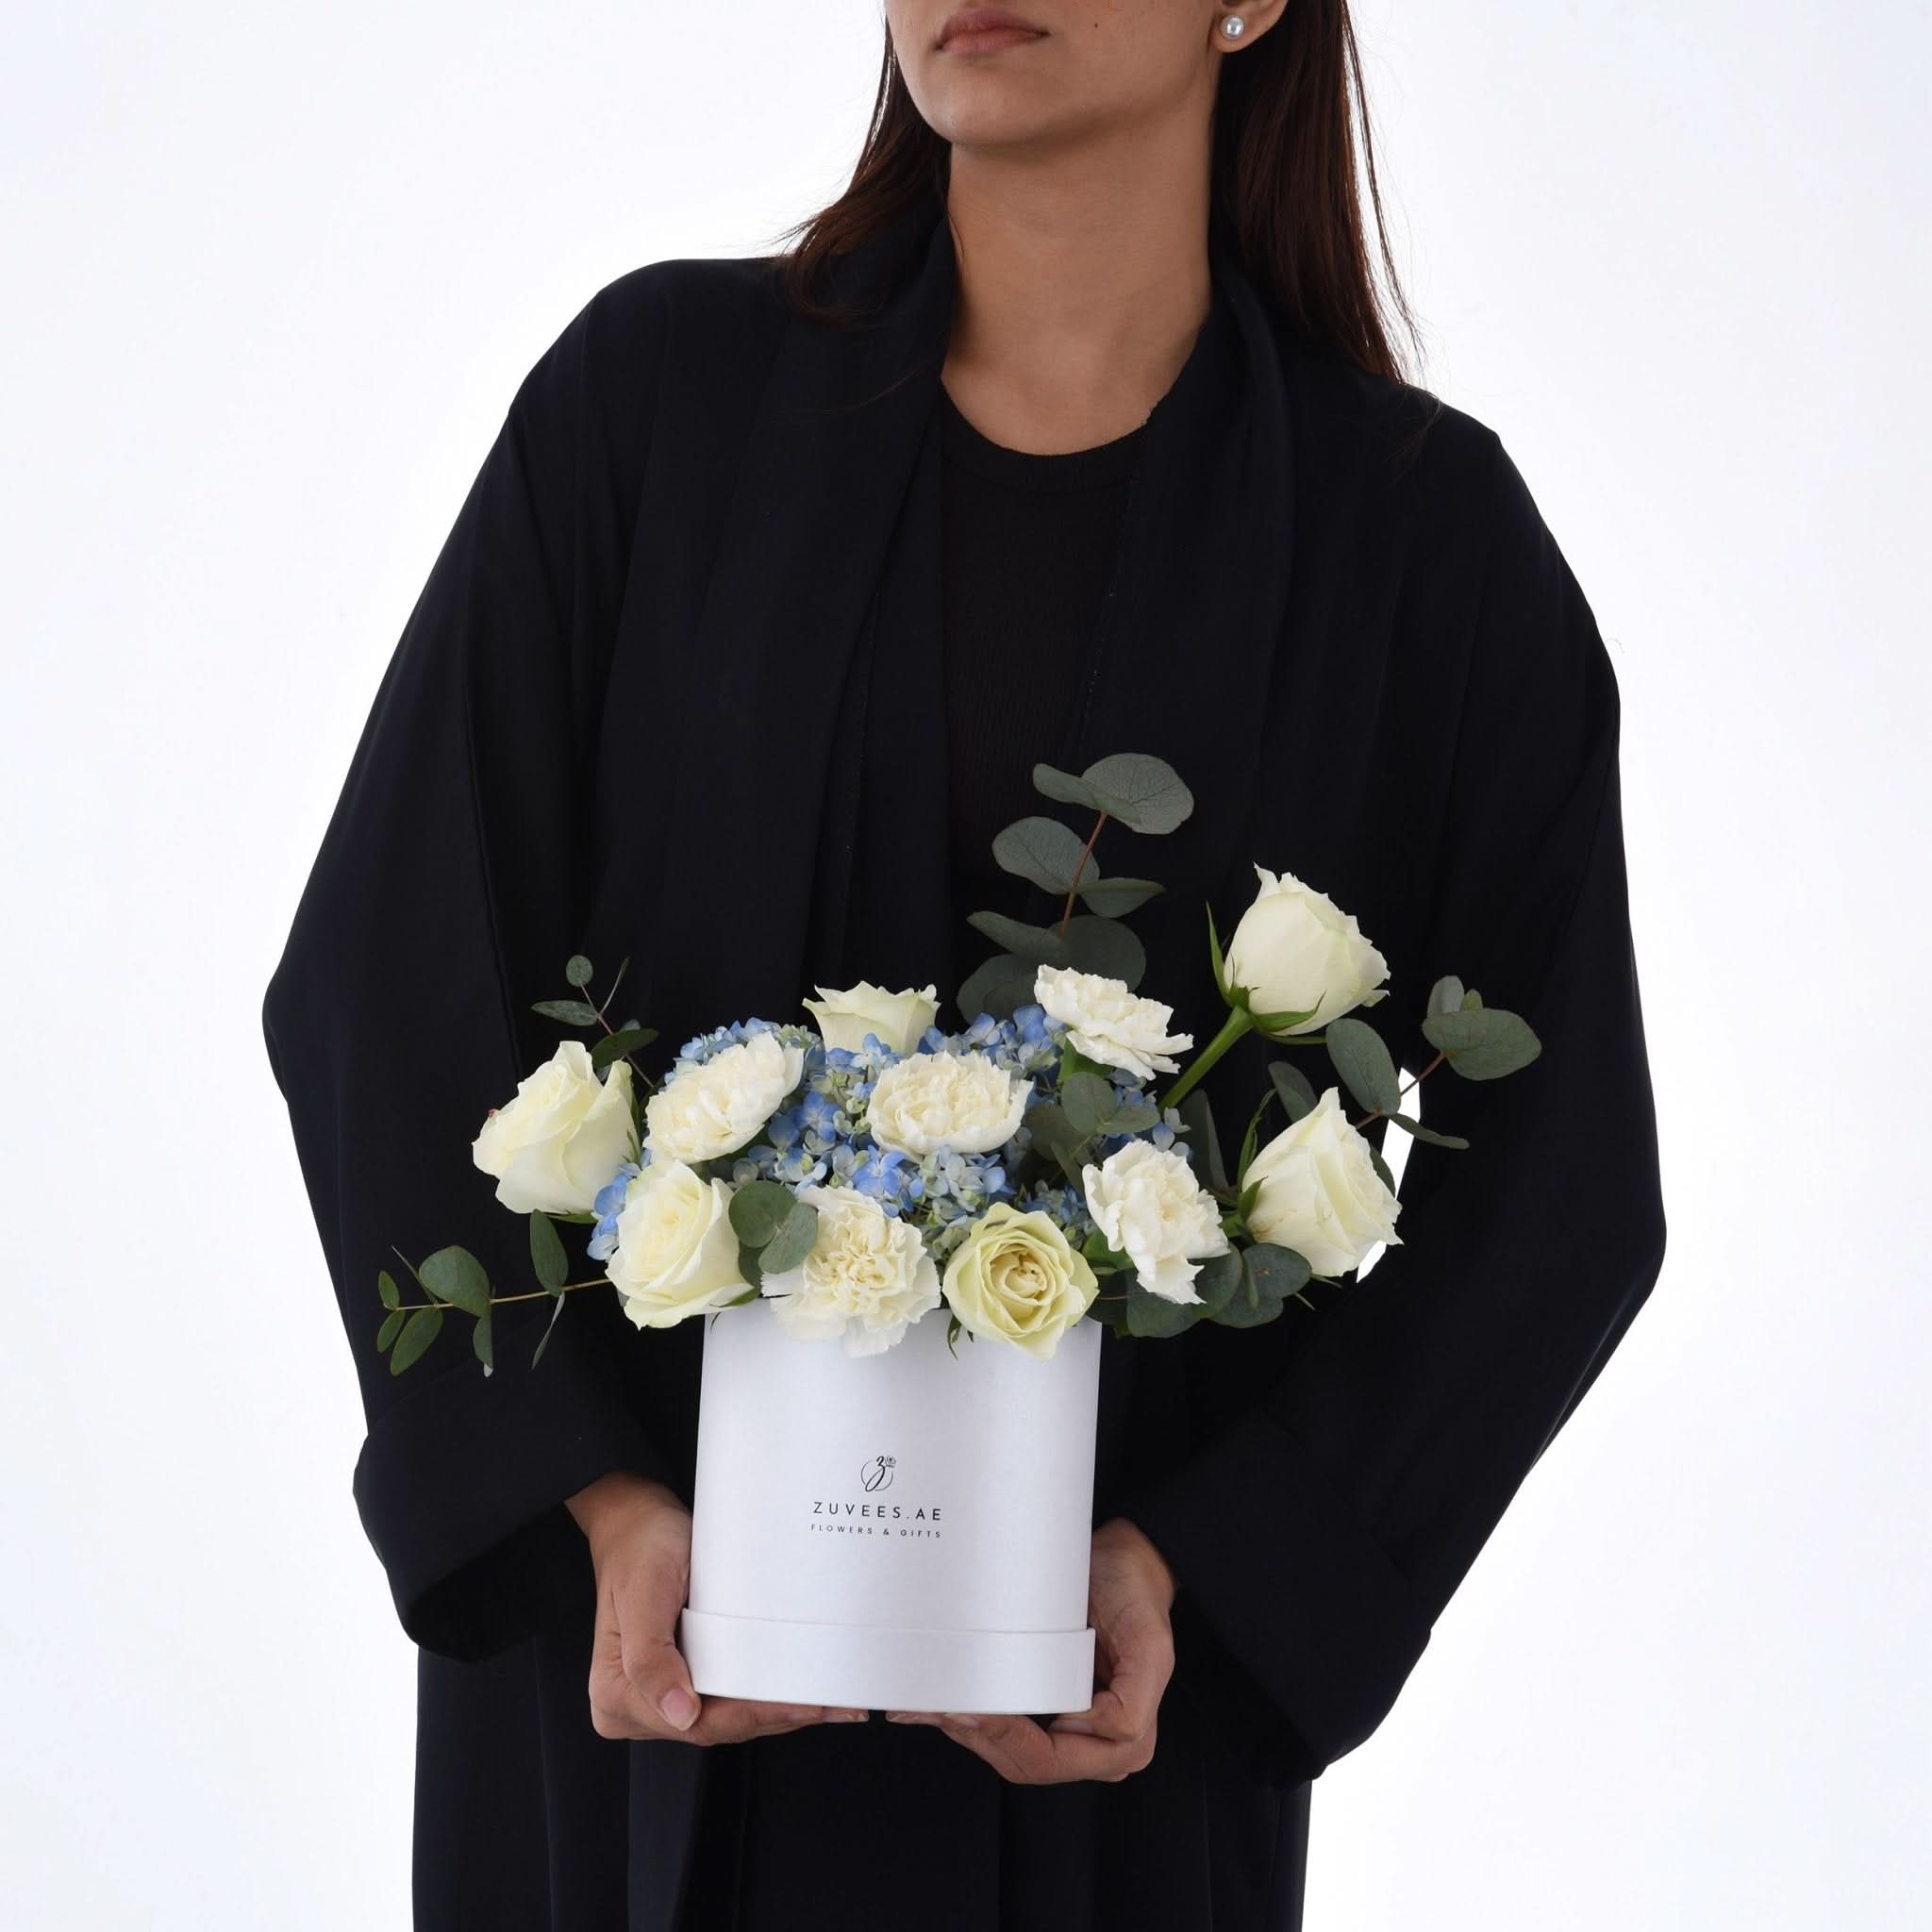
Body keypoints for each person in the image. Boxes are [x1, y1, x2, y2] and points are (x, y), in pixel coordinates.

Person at [260, 3, 1667, 1927]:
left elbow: (1562, 1190)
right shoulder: (652, 407)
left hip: (1100, 1753)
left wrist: (1206, 1571)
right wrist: (584, 1499)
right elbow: (386, 976)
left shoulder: (1418, 549)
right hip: (636, 1714)